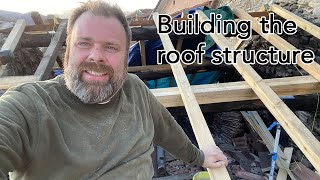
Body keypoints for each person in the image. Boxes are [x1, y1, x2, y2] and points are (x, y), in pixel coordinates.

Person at [0, 0, 228, 179]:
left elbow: (165, 128)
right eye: (84, 43)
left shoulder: (134, 89)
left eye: (111, 47)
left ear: (125, 59)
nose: (96, 56)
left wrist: (198, 156)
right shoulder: (28, 106)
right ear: (67, 50)